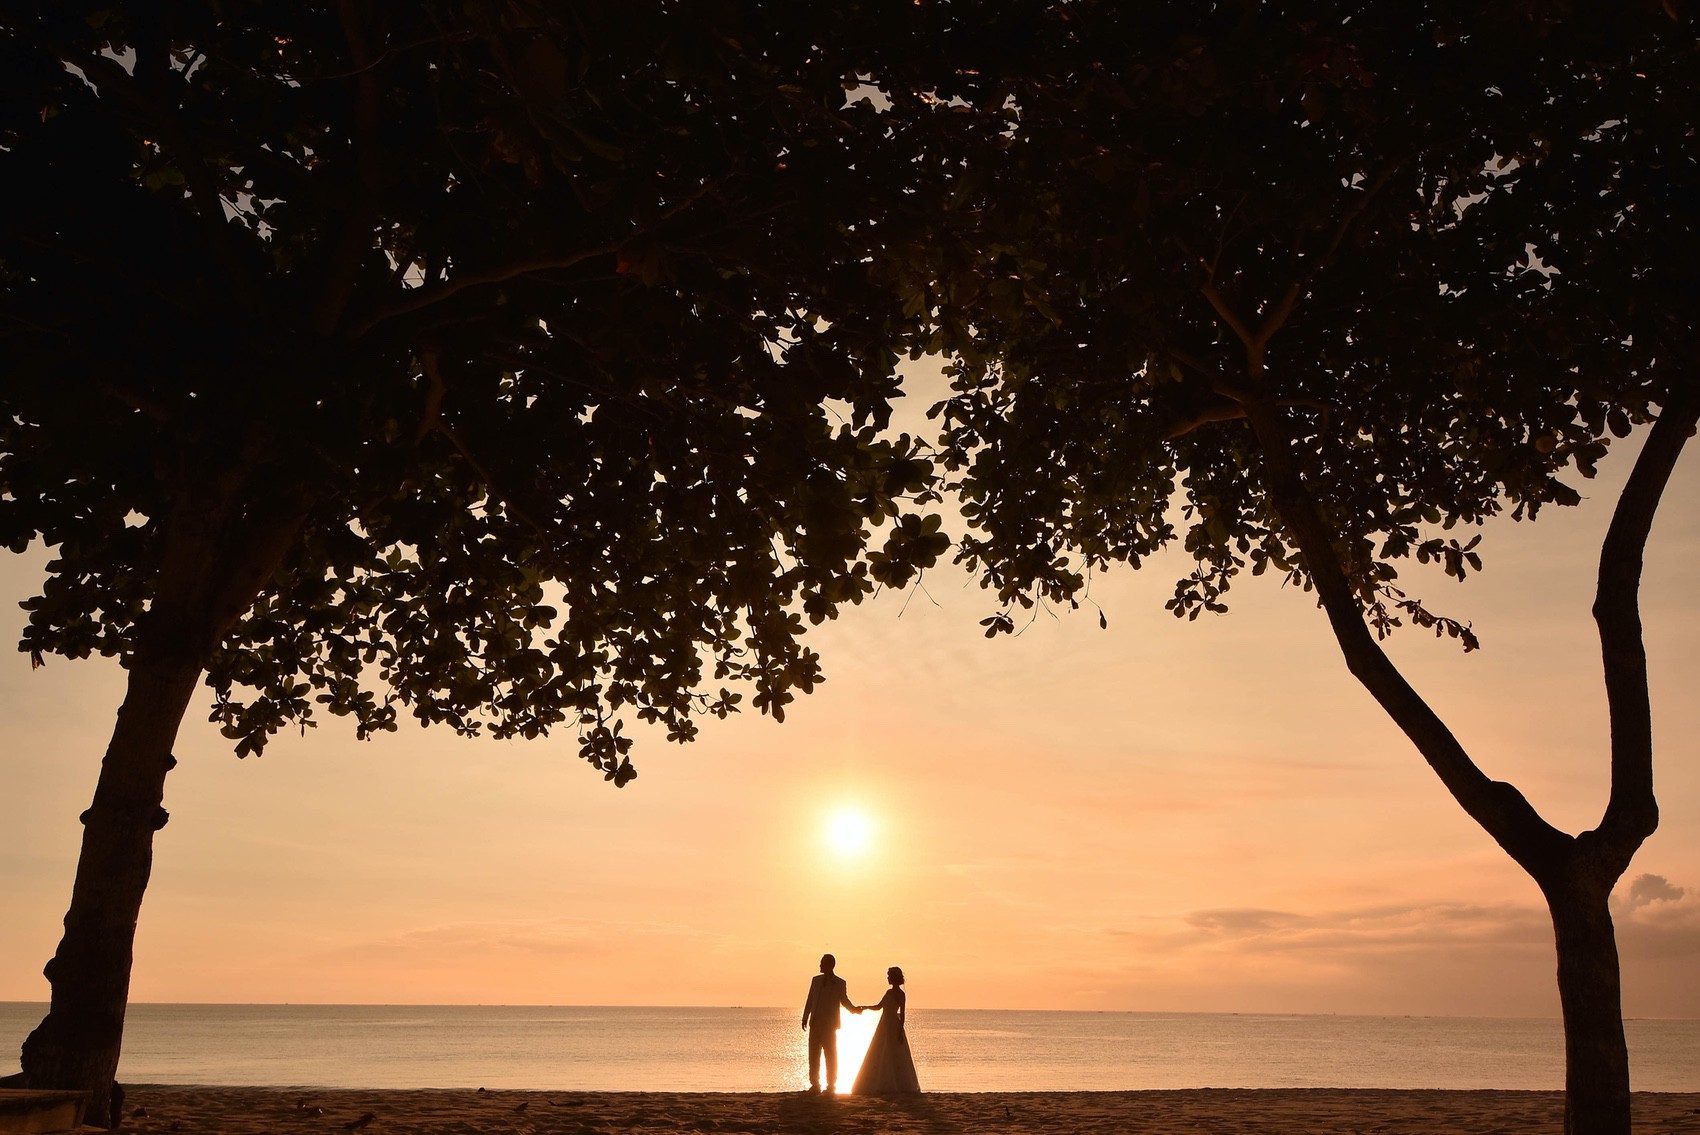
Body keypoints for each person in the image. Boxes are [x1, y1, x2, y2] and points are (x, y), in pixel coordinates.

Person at [852, 966, 921, 1096]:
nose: (888, 978)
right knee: (881, 1052)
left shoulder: (901, 994)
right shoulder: (888, 993)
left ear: (894, 978)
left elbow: (903, 1013)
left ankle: (896, 1083)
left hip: (893, 1025)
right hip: (884, 1025)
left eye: (889, 976)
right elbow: (879, 1007)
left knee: (893, 1053)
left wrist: (900, 1031)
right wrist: (865, 1007)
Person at [800, 953, 860, 1093]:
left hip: (830, 1025)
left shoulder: (840, 983)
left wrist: (854, 1010)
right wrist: (805, 1017)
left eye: (822, 963)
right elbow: (810, 999)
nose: (820, 965)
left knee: (831, 1055)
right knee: (813, 1055)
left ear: (829, 965)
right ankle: (815, 1084)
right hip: (815, 1023)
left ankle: (831, 1085)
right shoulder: (815, 980)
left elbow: (844, 1000)